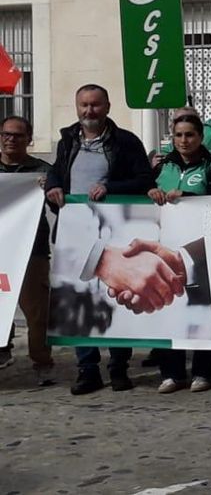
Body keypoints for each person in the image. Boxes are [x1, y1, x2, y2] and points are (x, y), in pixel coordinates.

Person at [43, 84, 157, 395]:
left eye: (95, 105)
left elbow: (145, 180)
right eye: (84, 105)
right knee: (78, 300)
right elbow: (56, 174)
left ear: (107, 107)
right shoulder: (68, 141)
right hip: (74, 234)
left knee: (115, 297)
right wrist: (53, 188)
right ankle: (87, 370)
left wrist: (111, 186)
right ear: (76, 106)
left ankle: (119, 368)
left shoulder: (125, 141)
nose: (89, 111)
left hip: (115, 235)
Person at [147, 114, 211, 394]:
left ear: (200, 137)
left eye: (190, 135)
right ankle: (171, 372)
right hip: (166, 249)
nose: (184, 141)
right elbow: (144, 192)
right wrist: (151, 192)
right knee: (169, 307)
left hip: (201, 249)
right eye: (179, 135)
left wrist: (187, 197)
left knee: (200, 307)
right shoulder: (163, 165)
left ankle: (203, 371)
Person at [0, 114, 54, 385]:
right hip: (0, 249)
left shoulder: (42, 170)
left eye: (18, 135)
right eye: (7, 134)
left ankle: (42, 361)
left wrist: (50, 190)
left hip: (32, 248)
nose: (11, 139)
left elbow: (59, 204)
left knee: (37, 310)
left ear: (29, 140)